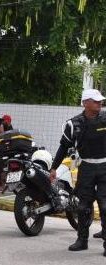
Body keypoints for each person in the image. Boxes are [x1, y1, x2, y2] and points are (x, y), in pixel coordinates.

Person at [50, 89, 106, 254]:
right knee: (82, 206)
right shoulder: (73, 124)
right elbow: (63, 147)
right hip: (86, 167)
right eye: (95, 101)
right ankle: (82, 240)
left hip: (105, 166)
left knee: (105, 206)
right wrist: (53, 168)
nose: (99, 103)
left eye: (100, 101)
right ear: (85, 103)